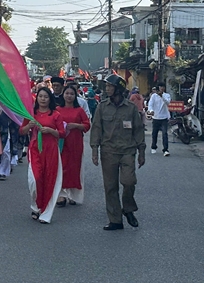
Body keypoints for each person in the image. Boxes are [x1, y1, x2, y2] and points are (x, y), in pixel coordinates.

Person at [90, 73, 146, 231]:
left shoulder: (130, 108)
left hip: (128, 150)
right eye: (106, 86)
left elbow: (138, 130)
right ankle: (115, 220)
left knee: (129, 182)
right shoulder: (102, 107)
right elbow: (96, 129)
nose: (107, 89)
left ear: (119, 89)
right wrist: (95, 150)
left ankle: (128, 208)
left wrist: (142, 152)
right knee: (110, 187)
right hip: (108, 152)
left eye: (110, 86)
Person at [19, 87, 65, 224]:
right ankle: (35, 206)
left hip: (51, 150)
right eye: (40, 96)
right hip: (35, 150)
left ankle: (45, 212)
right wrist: (29, 126)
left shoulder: (55, 115)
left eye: (46, 97)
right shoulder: (31, 114)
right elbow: (21, 131)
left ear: (50, 99)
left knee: (49, 179)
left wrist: (51, 130)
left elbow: (62, 133)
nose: (43, 99)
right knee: (35, 180)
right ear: (37, 98)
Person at [56, 84, 90, 207]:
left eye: (71, 94)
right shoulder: (58, 110)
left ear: (75, 96)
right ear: (63, 95)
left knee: (74, 168)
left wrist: (76, 125)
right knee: (61, 167)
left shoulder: (79, 110)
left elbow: (87, 125)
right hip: (61, 143)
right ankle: (61, 194)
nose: (69, 96)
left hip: (75, 143)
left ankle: (73, 195)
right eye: (67, 93)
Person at [148, 83, 172, 156]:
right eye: (160, 87)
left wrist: (162, 97)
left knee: (165, 133)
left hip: (164, 117)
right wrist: (151, 111)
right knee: (154, 133)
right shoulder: (153, 96)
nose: (162, 88)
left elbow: (168, 103)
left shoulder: (167, 95)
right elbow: (150, 104)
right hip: (156, 117)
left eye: (163, 87)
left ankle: (165, 149)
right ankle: (153, 147)